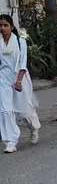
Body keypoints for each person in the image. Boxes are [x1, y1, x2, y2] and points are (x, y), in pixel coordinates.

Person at [0, 14, 40, 153]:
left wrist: (18, 81)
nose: (3, 28)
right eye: (0, 25)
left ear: (11, 27)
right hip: (3, 79)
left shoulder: (20, 41)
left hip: (20, 77)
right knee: (6, 110)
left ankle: (34, 128)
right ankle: (11, 141)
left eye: (5, 25)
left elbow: (22, 62)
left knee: (24, 110)